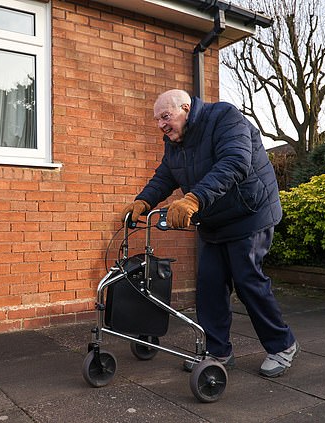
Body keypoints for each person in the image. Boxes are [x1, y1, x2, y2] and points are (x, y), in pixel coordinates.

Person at [121, 89, 299, 377]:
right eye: (157, 120)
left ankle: (282, 345)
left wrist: (193, 199)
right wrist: (144, 200)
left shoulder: (225, 118)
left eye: (166, 117)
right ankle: (217, 351)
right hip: (214, 218)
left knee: (247, 281)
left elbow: (235, 162)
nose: (161, 125)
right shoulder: (175, 141)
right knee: (209, 285)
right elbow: (167, 174)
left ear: (186, 108)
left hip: (249, 213)